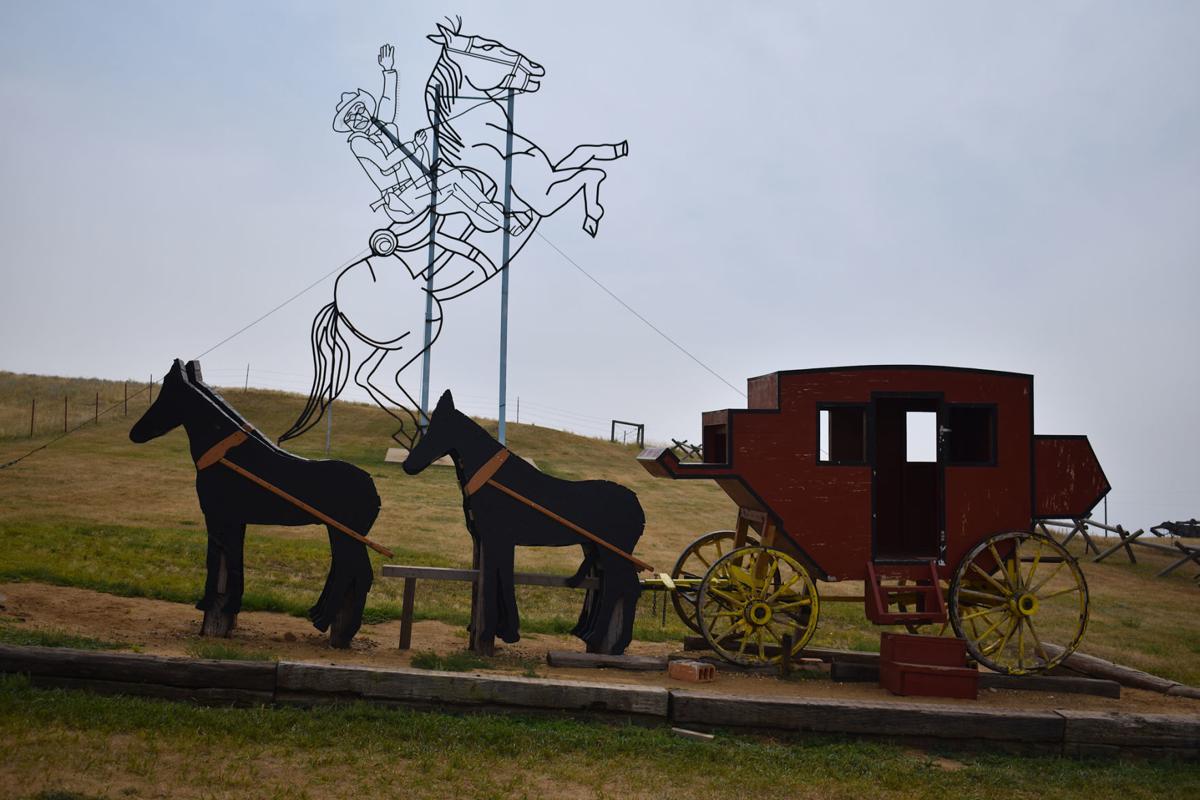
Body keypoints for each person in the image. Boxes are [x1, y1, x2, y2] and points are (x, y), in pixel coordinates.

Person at [333, 44, 530, 236]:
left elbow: (388, 101)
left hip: (419, 184)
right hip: (401, 199)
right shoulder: (358, 142)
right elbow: (385, 163)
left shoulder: (383, 125)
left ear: (366, 108)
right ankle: (506, 222)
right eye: (350, 118)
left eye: (358, 110)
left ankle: (491, 219)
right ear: (348, 125)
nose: (357, 118)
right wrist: (414, 146)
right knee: (455, 179)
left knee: (459, 182)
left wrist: (388, 70)